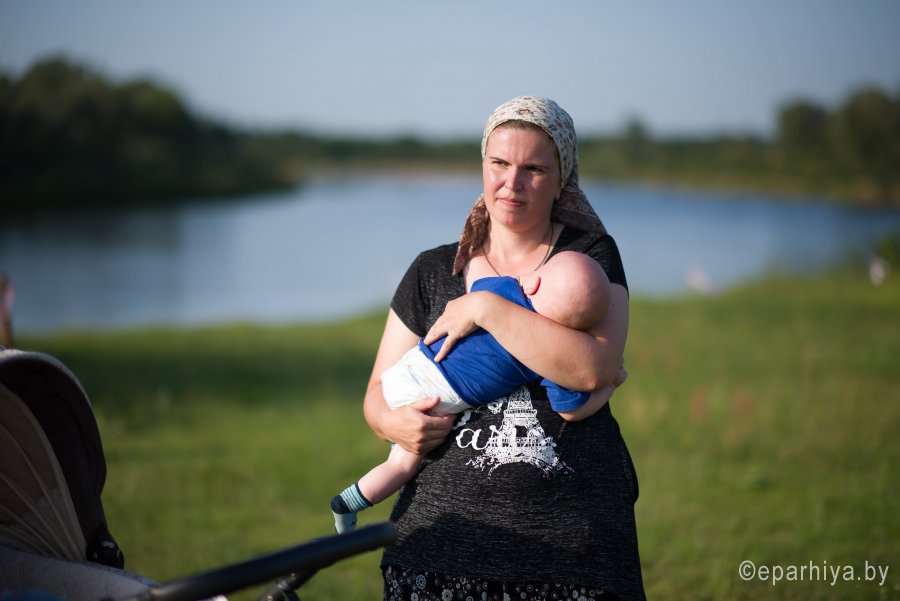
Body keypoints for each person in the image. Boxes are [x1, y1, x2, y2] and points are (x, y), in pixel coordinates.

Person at [362, 96, 645, 600]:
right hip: (437, 548)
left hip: (572, 548)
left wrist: (486, 308)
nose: (512, 183)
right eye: (499, 163)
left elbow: (592, 370)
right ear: (483, 166)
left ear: (561, 179)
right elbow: (375, 397)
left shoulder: (587, 259)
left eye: (534, 169)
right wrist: (394, 424)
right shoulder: (433, 269)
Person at [331, 250, 617, 534]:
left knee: (402, 461)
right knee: (401, 466)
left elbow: (479, 288)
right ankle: (347, 506)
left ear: (534, 283)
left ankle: (346, 502)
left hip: (409, 368)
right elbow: (571, 409)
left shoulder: (501, 290)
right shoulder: (546, 356)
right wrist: (610, 386)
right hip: (437, 394)